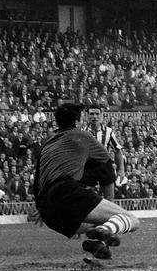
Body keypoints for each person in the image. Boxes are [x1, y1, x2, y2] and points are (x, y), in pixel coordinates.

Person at [34, 103, 139, 259]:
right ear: (78, 119)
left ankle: (97, 245)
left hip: (46, 209)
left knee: (92, 224)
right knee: (132, 220)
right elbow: (106, 166)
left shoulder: (47, 144)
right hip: (67, 190)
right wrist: (109, 199)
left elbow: (37, 179)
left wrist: (40, 207)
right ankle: (107, 231)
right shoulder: (82, 136)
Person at [81, 104, 125, 200]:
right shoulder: (81, 132)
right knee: (87, 198)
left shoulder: (108, 131)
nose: (94, 117)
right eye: (91, 114)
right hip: (88, 166)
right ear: (86, 115)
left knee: (109, 198)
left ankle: (109, 215)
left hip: (105, 164)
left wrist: (121, 169)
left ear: (101, 115)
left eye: (97, 114)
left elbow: (117, 150)